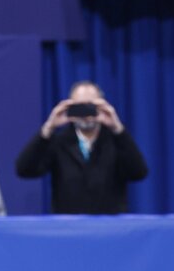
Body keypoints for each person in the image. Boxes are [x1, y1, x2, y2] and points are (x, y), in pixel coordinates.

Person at [15, 80, 147, 214]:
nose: (85, 114)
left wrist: (117, 128)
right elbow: (24, 169)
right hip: (69, 228)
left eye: (90, 106)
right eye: (79, 107)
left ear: (102, 106)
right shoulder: (59, 142)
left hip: (108, 227)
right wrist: (49, 127)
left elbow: (139, 172)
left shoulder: (116, 141)